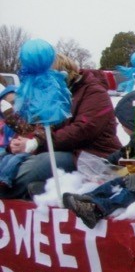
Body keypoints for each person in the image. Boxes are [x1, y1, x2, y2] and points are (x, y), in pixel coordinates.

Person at [0, 55, 121, 200]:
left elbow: (83, 129)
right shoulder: (56, 94)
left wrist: (37, 143)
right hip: (64, 149)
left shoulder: (95, 92)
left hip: (90, 154)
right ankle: (34, 189)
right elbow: (41, 124)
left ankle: (6, 195)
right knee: (6, 157)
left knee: (37, 165)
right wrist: (21, 142)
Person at [62, 89, 135, 228]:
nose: (121, 127)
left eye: (123, 124)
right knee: (117, 182)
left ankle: (98, 209)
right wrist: (108, 162)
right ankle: (88, 198)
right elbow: (124, 153)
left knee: (130, 189)